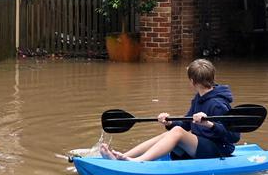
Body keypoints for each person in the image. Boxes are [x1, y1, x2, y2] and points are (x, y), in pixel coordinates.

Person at [100, 59, 240, 162]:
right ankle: (125, 156)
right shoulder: (199, 98)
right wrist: (169, 123)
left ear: (192, 81)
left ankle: (139, 161)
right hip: (202, 146)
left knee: (177, 132)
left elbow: (234, 136)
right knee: (173, 132)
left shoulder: (218, 103)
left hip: (219, 150)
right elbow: (185, 124)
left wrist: (209, 124)